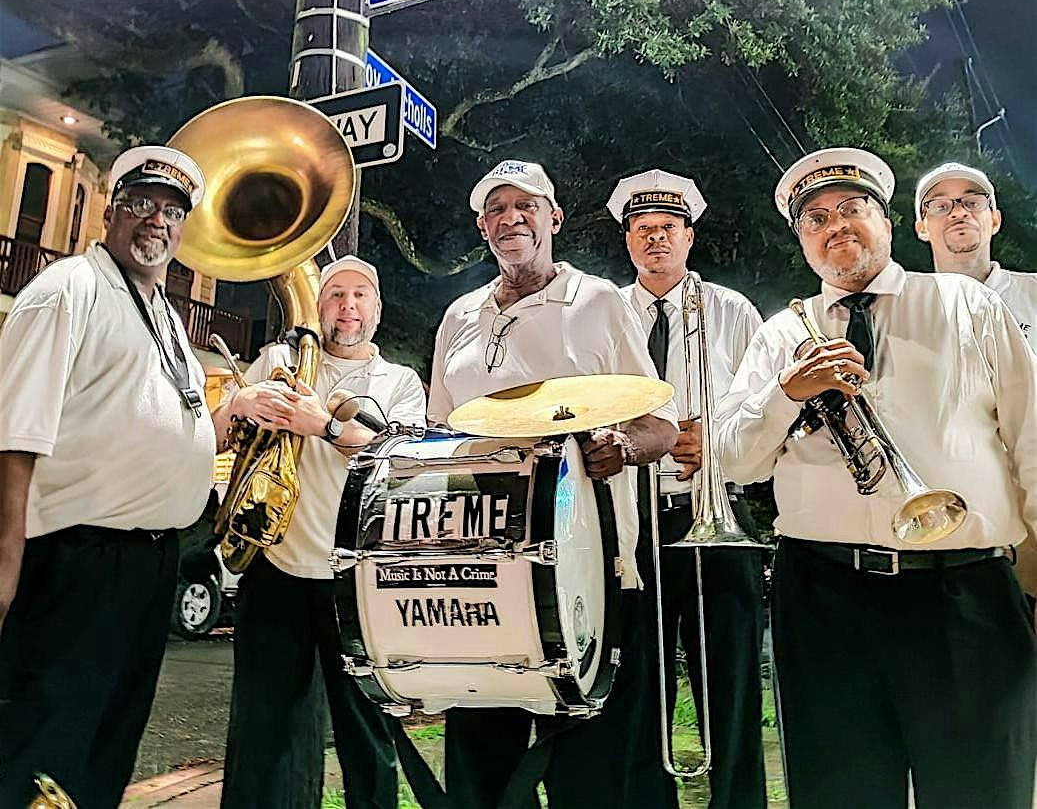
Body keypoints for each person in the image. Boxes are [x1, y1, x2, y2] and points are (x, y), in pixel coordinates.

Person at [714, 147, 1037, 809]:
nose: (835, 227)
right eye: (815, 219)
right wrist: (785, 393)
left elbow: (1031, 435)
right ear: (802, 240)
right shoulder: (781, 336)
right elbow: (732, 459)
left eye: (852, 209)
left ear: (886, 221)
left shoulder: (963, 303)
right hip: (824, 599)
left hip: (963, 594)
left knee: (980, 793)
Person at [428, 160, 678, 809]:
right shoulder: (459, 315)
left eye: (527, 207)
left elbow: (660, 427)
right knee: (481, 759)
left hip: (588, 561)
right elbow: (436, 433)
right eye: (497, 209)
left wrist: (620, 448)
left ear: (554, 219)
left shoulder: (600, 303)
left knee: (591, 769)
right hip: (482, 565)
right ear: (482, 227)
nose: (512, 219)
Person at [0, 146, 216, 809]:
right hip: (76, 561)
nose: (158, 220)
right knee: (40, 754)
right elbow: (13, 439)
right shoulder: (67, 289)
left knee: (105, 754)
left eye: (173, 210)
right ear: (109, 210)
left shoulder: (166, 314)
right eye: (142, 203)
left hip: (147, 567)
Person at [214, 255, 426, 809]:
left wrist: (323, 426)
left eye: (360, 296)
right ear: (320, 304)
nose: (347, 307)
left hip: (359, 581)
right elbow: (215, 435)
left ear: (377, 310)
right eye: (335, 295)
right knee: (262, 731)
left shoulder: (400, 383)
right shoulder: (282, 360)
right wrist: (239, 401)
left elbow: (404, 463)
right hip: (277, 570)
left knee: (366, 735)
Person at [608, 170, 766, 809]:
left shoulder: (732, 310)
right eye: (642, 231)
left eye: (667, 229)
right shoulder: (605, 310)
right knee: (636, 688)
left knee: (729, 686)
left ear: (689, 237)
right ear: (627, 242)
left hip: (712, 514)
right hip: (627, 520)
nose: (655, 241)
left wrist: (718, 440)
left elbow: (764, 406)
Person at [914, 161, 1036, 351]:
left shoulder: (1033, 293)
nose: (959, 212)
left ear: (995, 221)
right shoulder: (907, 313)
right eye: (940, 206)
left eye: (972, 203)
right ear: (922, 229)